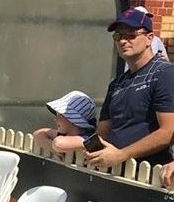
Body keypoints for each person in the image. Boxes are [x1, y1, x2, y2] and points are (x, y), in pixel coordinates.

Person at [85, 9, 174, 170]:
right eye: (118, 36)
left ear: (149, 39)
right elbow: (103, 132)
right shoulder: (117, 84)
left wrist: (122, 155)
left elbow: (168, 132)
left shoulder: (164, 74)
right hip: (114, 170)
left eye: (131, 35)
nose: (123, 41)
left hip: (147, 173)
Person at [32, 90, 98, 156]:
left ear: (72, 119)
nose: (56, 119)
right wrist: (55, 151)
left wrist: (55, 146)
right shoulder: (65, 135)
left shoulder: (86, 138)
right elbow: (38, 134)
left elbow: (58, 144)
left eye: (60, 115)